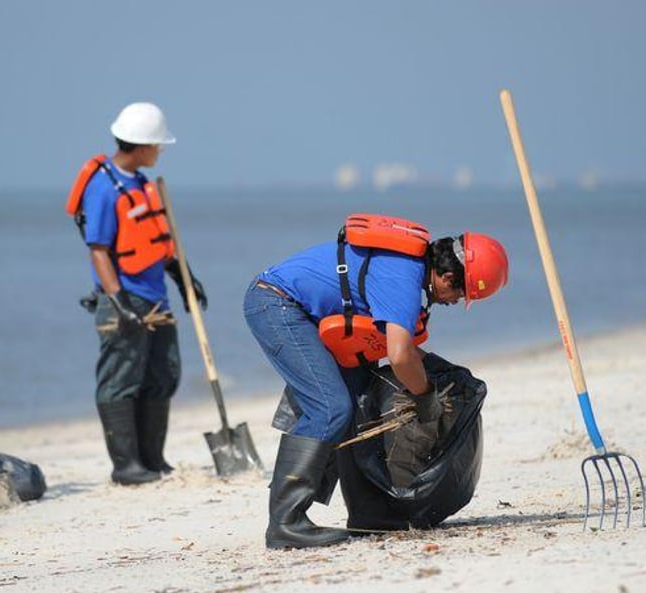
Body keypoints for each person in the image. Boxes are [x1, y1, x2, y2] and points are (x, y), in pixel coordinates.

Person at [243, 214, 509, 548]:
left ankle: (316, 514)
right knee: (330, 408)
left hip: (294, 308)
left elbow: (405, 350)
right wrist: (425, 396)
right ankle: (285, 522)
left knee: (353, 402)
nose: (455, 301)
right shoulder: (405, 281)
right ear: (447, 275)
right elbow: (399, 357)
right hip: (277, 305)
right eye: (459, 293)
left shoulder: (407, 269)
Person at [65, 102, 207, 486]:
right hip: (124, 299)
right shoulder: (103, 189)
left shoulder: (144, 184)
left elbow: (157, 244)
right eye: (158, 145)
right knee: (120, 379)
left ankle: (152, 458)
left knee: (164, 373)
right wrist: (118, 301)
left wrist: (184, 277)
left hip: (156, 297)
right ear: (142, 146)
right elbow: (98, 250)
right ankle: (125, 465)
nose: (161, 151)